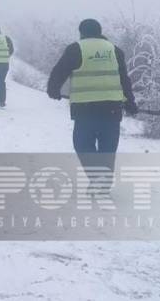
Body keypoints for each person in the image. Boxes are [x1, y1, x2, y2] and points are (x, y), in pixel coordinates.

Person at [46, 19, 138, 191]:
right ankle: (103, 182)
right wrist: (130, 102)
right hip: (112, 107)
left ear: (81, 32)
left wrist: (53, 90)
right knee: (108, 147)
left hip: (85, 108)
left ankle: (97, 178)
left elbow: (59, 71)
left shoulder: (76, 48)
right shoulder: (114, 50)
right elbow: (124, 79)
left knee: (82, 144)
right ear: (99, 31)